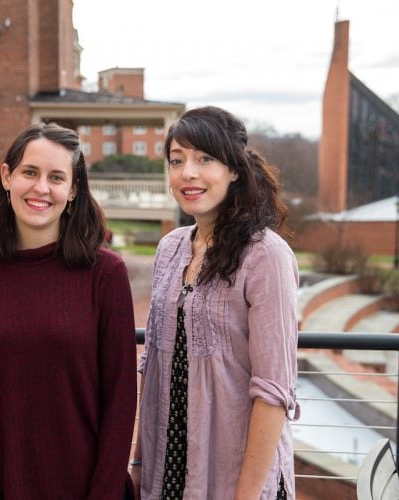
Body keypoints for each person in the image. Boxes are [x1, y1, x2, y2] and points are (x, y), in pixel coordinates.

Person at [0, 122, 137, 499]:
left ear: (74, 189)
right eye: (30, 172)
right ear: (7, 176)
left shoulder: (106, 275)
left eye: (57, 177)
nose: (41, 188)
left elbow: (121, 400)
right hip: (0, 489)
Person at [131, 106, 300, 499]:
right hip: (167, 472)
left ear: (235, 170)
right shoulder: (170, 248)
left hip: (233, 479)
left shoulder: (265, 256)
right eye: (176, 160)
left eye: (205, 158)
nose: (187, 173)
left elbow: (274, 391)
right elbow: (154, 366)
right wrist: (139, 466)